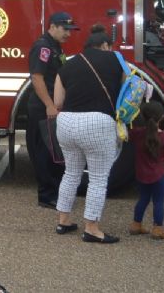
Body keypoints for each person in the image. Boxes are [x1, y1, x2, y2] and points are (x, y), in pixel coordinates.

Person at [52, 24, 123, 243]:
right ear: (105, 45)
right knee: (98, 179)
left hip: (66, 123)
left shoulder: (67, 65)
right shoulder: (116, 59)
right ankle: (91, 228)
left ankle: (63, 221)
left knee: (71, 173)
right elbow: (127, 90)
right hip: (98, 122)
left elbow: (58, 102)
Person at [26, 12, 75, 208]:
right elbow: (37, 78)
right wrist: (49, 105)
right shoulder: (43, 47)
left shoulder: (54, 46)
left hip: (51, 107)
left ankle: (54, 192)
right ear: (53, 26)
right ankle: (46, 196)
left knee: (53, 152)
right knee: (44, 153)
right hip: (42, 108)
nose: (68, 34)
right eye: (65, 30)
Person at [129, 101, 164, 240]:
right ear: (162, 117)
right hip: (158, 176)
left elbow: (125, 133)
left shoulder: (136, 134)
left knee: (143, 199)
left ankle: (136, 225)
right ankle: (158, 229)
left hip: (141, 174)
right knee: (158, 201)